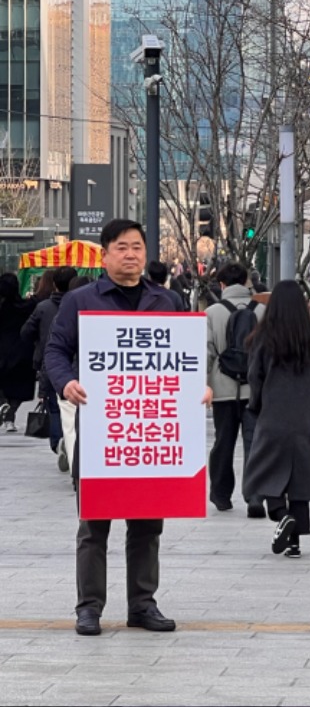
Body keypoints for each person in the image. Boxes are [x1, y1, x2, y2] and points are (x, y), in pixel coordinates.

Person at [45, 219, 210, 636]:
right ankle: (89, 608)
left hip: (150, 434)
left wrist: (198, 387)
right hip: (103, 431)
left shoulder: (167, 300)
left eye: (137, 247)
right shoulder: (81, 301)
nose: (131, 254)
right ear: (105, 254)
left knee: (147, 524)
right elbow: (56, 350)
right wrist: (67, 382)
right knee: (94, 524)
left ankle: (142, 604)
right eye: (122, 247)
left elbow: (183, 356)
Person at [243, 280, 310, 558]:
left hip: (273, 416)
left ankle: (280, 514)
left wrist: (255, 406)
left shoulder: (263, 338)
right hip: (304, 418)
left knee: (263, 471)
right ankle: (294, 542)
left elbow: (255, 377)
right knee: (300, 479)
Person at [206, 262, 266, 517]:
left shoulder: (211, 312)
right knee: (255, 442)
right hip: (255, 388)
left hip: (223, 388)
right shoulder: (263, 310)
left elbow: (205, 352)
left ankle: (221, 495)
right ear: (247, 282)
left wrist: (205, 385)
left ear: (221, 285)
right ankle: (255, 496)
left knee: (223, 441)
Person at [20, 265, 77, 466]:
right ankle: (70, 444)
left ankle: (59, 442)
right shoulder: (84, 307)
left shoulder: (43, 308)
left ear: (54, 285)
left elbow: (26, 332)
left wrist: (39, 342)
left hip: (49, 363)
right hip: (78, 367)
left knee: (54, 407)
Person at [0, 272, 38, 433]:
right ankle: (10, 416)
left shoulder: (2, 308)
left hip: (2, 350)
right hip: (23, 351)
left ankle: (2, 404)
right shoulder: (27, 306)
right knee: (19, 387)